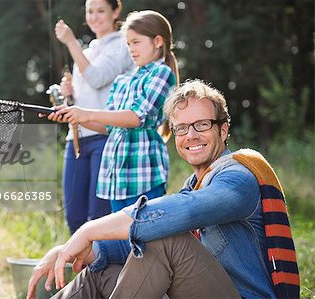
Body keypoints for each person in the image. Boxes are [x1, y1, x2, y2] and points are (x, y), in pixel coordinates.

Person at [28, 79, 300, 299]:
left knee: (166, 236)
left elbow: (185, 212)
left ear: (224, 129)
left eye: (202, 125)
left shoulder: (239, 177)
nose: (190, 135)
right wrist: (85, 250)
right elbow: (144, 241)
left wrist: (88, 230)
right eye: (181, 128)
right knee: (102, 270)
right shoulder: (194, 184)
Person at [50, 10, 180, 212]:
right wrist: (72, 115)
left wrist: (87, 113)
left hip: (144, 175)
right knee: (116, 240)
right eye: (128, 44)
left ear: (158, 42)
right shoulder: (122, 80)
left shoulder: (161, 73)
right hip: (117, 180)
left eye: (136, 42)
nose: (131, 49)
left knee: (143, 238)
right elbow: (107, 126)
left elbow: (136, 117)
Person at [53, 0, 135, 234]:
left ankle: (103, 270)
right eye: (90, 11)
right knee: (74, 217)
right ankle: (82, 271)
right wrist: (69, 93)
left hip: (105, 138)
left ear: (115, 11)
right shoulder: (88, 50)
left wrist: (70, 42)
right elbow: (82, 97)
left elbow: (97, 77)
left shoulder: (123, 44)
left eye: (101, 11)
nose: (95, 17)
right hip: (76, 140)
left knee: (98, 217)